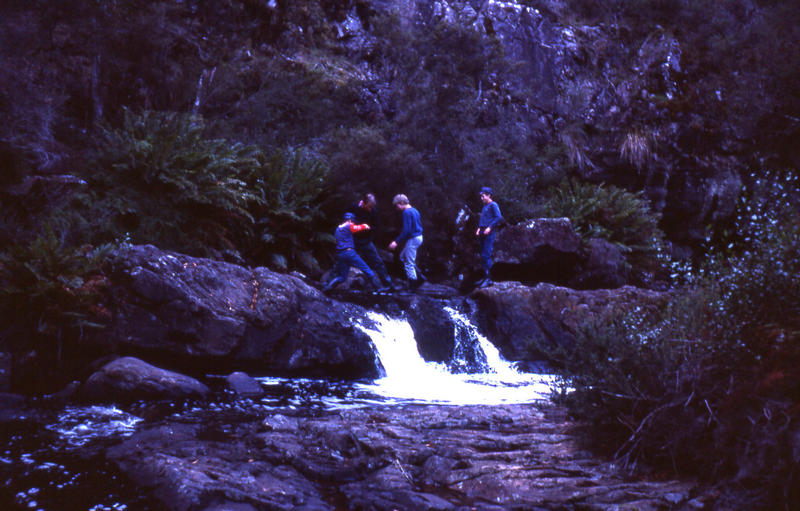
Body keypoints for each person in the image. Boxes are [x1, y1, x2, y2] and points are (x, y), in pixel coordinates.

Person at [322, 212, 386, 292]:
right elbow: (355, 228)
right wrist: (365, 226)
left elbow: (336, 241)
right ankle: (380, 289)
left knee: (343, 277)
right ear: (349, 220)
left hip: (341, 254)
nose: (353, 223)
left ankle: (327, 287)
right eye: (352, 221)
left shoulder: (337, 230)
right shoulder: (349, 226)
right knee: (367, 270)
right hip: (350, 253)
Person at [347, 193, 394, 290]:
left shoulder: (374, 211)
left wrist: (368, 231)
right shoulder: (353, 207)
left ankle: (388, 284)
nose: (370, 209)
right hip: (352, 240)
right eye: (369, 207)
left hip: (366, 241)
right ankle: (334, 281)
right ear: (363, 203)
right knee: (344, 258)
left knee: (377, 261)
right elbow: (346, 221)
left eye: (372, 207)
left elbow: (376, 227)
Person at [388, 194, 424, 291]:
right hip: (419, 237)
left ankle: (413, 286)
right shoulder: (415, 210)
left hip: (413, 238)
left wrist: (396, 242)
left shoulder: (406, 212)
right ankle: (420, 277)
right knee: (403, 257)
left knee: (408, 262)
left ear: (402, 203)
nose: (397, 208)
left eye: (397, 205)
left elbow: (406, 230)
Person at [475, 186, 502, 287]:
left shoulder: (493, 205)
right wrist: (479, 228)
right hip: (482, 231)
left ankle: (489, 279)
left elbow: (498, 217)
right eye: (481, 196)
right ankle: (484, 277)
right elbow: (482, 219)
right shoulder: (484, 207)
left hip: (489, 232)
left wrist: (490, 227)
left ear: (489, 195)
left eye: (483, 196)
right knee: (482, 255)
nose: (481, 198)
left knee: (487, 254)